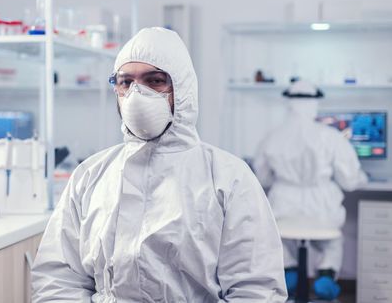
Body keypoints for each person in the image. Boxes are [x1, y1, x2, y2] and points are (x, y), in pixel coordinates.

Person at [32, 27, 287, 302]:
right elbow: (58, 279)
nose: (137, 94)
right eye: (126, 82)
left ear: (182, 89)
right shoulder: (90, 175)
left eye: (154, 81)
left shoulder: (229, 179)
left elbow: (256, 291)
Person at [253, 80, 368, 301]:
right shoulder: (330, 137)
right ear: (315, 103)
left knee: (283, 239)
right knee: (332, 241)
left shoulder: (272, 137)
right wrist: (362, 178)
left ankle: (290, 272)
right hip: (321, 203)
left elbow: (262, 177)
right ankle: (325, 275)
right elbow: (350, 179)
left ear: (289, 104)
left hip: (284, 200)